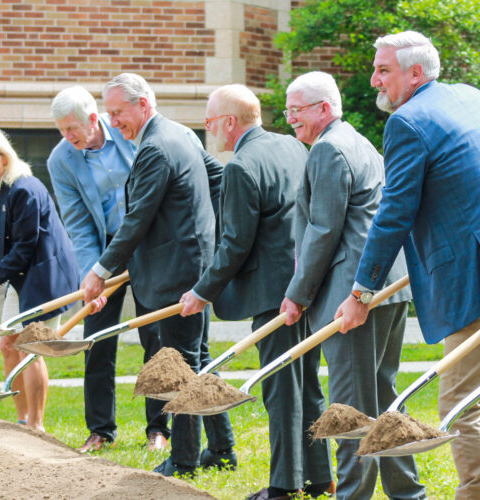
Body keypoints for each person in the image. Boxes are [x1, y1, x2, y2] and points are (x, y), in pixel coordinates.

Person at [334, 31, 480, 499]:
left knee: (459, 403)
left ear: (415, 73)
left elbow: (394, 214)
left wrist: (360, 294)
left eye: (383, 70)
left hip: (473, 278)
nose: (374, 79)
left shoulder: (406, 123)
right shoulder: (468, 95)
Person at [180, 84, 333, 500]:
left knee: (280, 388)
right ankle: (319, 479)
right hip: (307, 283)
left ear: (229, 122)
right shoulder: (291, 147)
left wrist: (202, 292)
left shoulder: (240, 165)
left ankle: (284, 486)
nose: (209, 129)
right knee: (307, 384)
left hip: (274, 294)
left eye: (210, 122)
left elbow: (234, 243)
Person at [280, 71, 425, 500]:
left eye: (296, 110)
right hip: (386, 290)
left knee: (349, 409)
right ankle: (407, 494)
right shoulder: (359, 142)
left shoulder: (328, 149)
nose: (289, 120)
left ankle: (353, 496)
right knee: (385, 400)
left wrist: (297, 294)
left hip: (354, 297)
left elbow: (324, 230)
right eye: (287, 111)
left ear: (324, 108)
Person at [79, 73, 224, 476]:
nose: (113, 122)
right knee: (199, 359)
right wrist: (208, 237)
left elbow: (137, 218)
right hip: (192, 265)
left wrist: (100, 270)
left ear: (143, 104)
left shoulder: (156, 147)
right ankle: (224, 448)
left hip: (178, 273)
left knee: (181, 366)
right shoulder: (182, 135)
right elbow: (218, 181)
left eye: (118, 112)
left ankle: (184, 460)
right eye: (108, 114)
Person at [48, 86, 169, 452]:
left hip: (149, 244)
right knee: (97, 340)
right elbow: (79, 223)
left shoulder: (129, 132)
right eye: (61, 131)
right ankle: (100, 430)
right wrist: (92, 273)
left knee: (155, 338)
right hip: (106, 249)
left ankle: (159, 429)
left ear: (92, 118)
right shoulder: (61, 161)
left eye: (72, 129)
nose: (68, 138)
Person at [0, 125, 79, 431]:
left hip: (45, 277)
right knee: (8, 344)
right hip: (23, 276)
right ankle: (21, 420)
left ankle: (36, 427)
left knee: (31, 347)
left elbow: (25, 248)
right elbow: (7, 249)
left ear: (5, 156)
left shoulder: (23, 188)